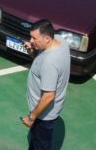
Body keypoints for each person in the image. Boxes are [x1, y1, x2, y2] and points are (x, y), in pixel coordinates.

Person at [22, 20, 69, 150]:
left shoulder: (50, 63)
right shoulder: (60, 41)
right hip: (42, 112)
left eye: (34, 38)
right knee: (35, 142)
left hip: (43, 115)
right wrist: (32, 51)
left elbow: (49, 96)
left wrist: (32, 118)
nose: (31, 40)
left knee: (41, 145)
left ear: (47, 38)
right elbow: (39, 61)